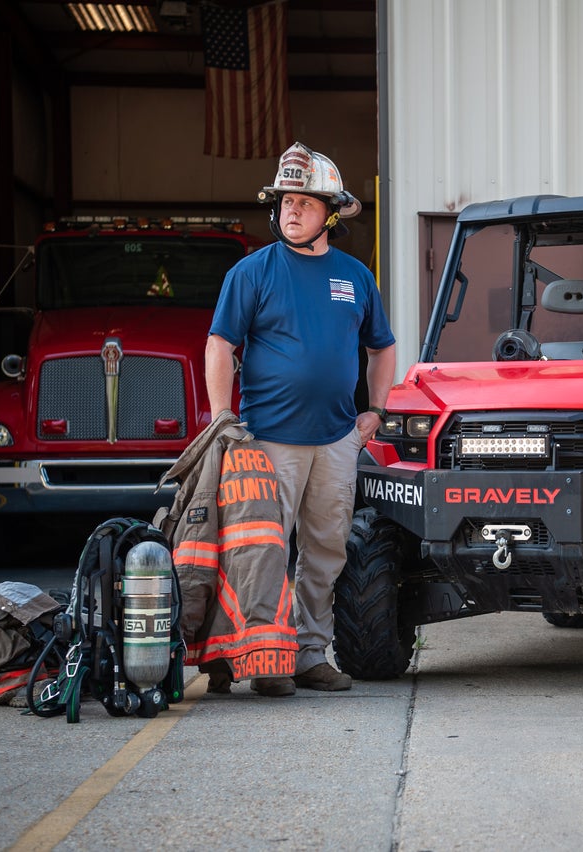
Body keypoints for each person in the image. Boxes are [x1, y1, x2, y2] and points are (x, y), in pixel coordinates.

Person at [206, 141, 397, 697]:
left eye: (305, 202)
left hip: (338, 441)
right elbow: (220, 346)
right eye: (286, 200)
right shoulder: (252, 272)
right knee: (264, 553)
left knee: (326, 551)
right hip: (268, 439)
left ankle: (311, 653)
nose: (291, 210)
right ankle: (268, 658)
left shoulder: (355, 277)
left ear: (330, 214)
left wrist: (376, 411)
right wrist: (222, 419)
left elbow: (381, 348)